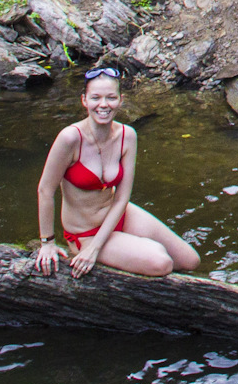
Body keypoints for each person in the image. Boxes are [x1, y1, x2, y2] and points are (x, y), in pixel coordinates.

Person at [34, 67, 200, 278]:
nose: (103, 105)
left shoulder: (127, 135)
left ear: (121, 100)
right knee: (162, 262)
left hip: (120, 214)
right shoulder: (70, 138)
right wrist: (47, 243)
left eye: (111, 98)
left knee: (190, 260)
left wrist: (98, 249)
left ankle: (126, 246)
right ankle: (123, 248)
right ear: (84, 100)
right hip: (85, 233)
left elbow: (122, 197)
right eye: (96, 98)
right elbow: (45, 190)